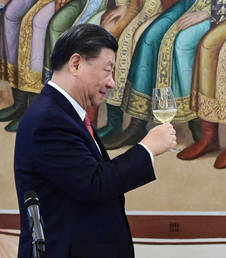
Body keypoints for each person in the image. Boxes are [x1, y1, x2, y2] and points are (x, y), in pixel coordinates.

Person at [14, 24, 177, 258]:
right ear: (76, 63)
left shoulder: (64, 113)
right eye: (107, 70)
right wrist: (147, 148)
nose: (111, 83)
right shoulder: (48, 119)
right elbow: (94, 184)